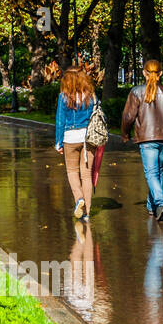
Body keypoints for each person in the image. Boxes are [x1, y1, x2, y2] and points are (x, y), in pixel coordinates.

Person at [121, 58, 163, 222]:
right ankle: (152, 206)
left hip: (147, 139)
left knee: (151, 173)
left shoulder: (136, 92)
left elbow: (128, 117)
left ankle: (162, 204)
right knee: (157, 172)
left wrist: (125, 134)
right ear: (161, 73)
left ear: (144, 73)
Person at [54, 65, 98, 224]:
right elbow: (97, 115)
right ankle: (86, 213)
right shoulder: (91, 95)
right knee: (86, 175)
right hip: (88, 138)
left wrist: (58, 142)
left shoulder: (63, 96)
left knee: (72, 172)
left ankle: (79, 198)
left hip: (70, 139)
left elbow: (60, 121)